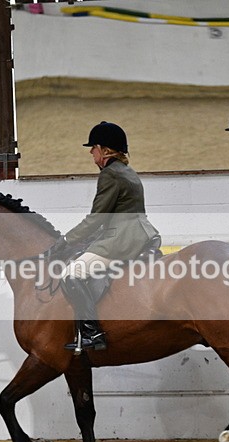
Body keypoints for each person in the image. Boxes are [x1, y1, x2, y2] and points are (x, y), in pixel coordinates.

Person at [61, 121, 159, 351]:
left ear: (105, 150)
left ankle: (92, 333)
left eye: (93, 147)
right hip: (143, 234)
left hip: (122, 239)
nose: (91, 152)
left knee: (71, 274)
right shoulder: (128, 172)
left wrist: (66, 240)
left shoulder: (110, 175)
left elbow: (97, 218)